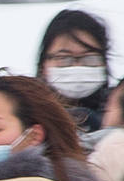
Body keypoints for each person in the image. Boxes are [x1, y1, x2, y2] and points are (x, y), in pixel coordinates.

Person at [35, 9, 115, 138]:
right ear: (43, 64)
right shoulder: (26, 113)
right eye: (64, 58)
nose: (77, 66)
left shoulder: (122, 111)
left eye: (90, 58)